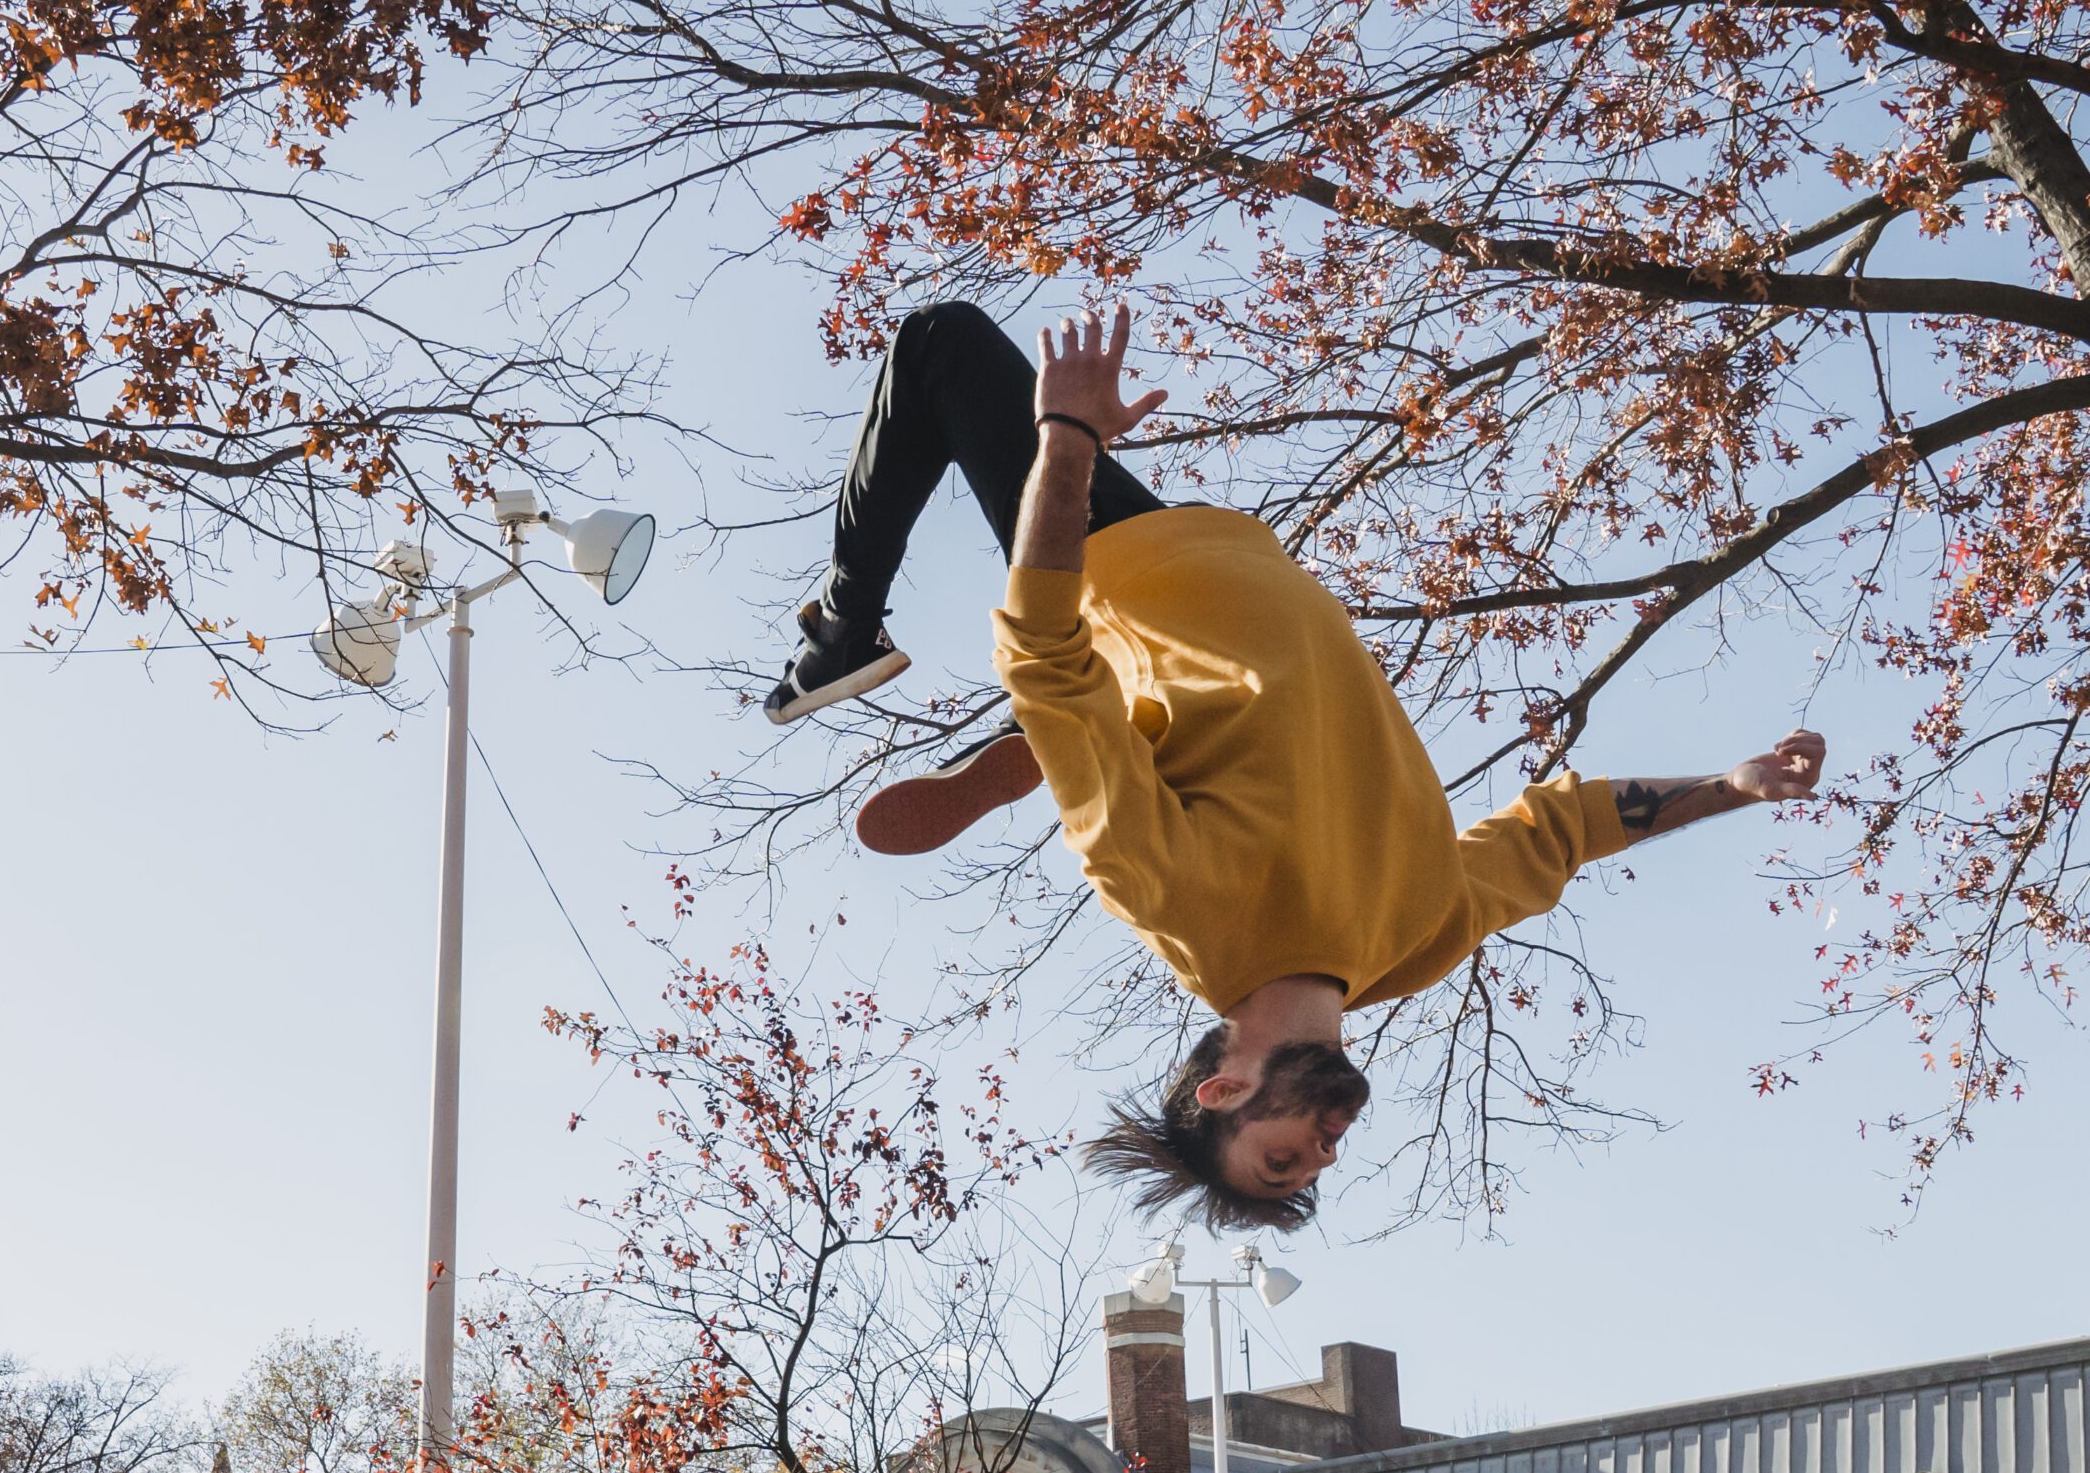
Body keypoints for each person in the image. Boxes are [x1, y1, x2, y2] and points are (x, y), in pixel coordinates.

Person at [764, 299, 1827, 1231]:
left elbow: (1043, 653)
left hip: (1130, 577)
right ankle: (1078, 739)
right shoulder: (1411, 941)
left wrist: (1069, 440)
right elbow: (1561, 831)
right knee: (1091, 713)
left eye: (1282, 1158)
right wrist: (1729, 788)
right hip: (1219, 558)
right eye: (1315, 1166)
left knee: (940, 344)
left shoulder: (1178, 899)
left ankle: (843, 633)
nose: (1321, 1150)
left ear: (1224, 1089)